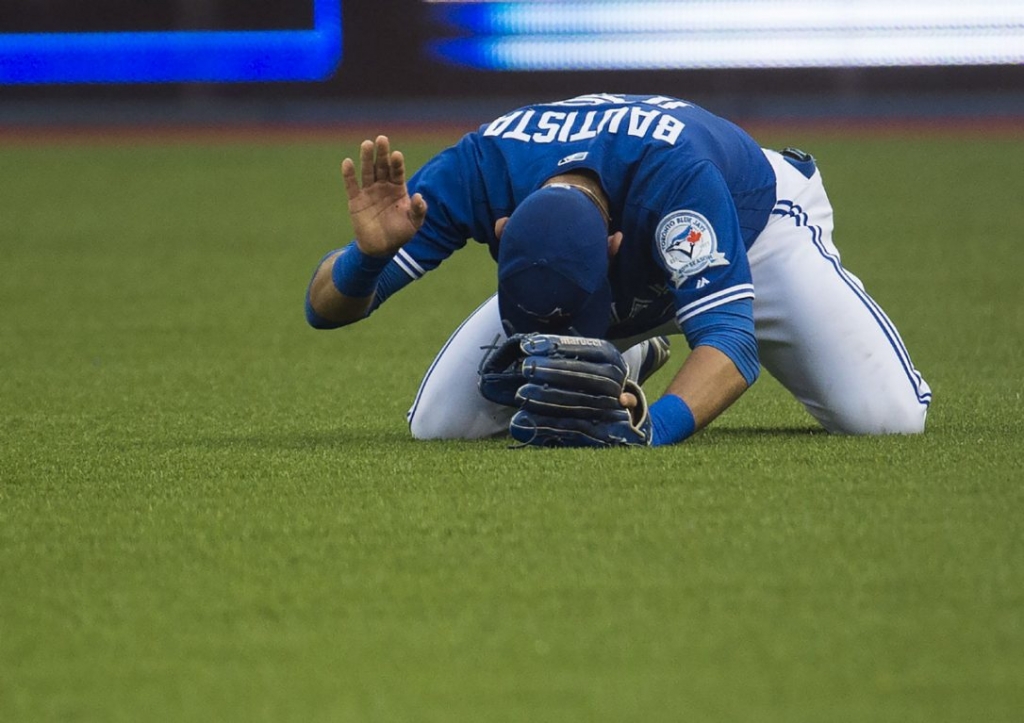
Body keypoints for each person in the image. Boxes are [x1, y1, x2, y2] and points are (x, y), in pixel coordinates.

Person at [305, 93, 931, 445]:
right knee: (439, 428)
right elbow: (322, 311)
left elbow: (733, 346)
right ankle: (629, 355)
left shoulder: (678, 185)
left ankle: (636, 342)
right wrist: (368, 260)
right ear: (502, 231)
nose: (552, 349)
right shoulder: (478, 173)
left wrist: (652, 427)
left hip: (756, 228)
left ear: (613, 248)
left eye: (579, 332)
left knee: (888, 418)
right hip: (606, 251)